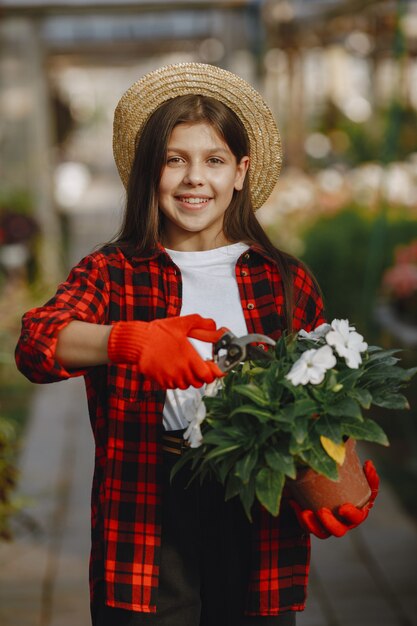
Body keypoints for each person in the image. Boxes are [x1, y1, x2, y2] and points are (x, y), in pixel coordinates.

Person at [15, 63, 379, 626]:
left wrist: (338, 478)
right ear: (149, 172)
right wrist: (130, 341)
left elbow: (321, 392)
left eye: (213, 160)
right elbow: (37, 343)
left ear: (240, 172)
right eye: (174, 159)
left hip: (259, 509)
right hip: (149, 513)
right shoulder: (113, 273)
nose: (194, 179)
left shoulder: (283, 279)